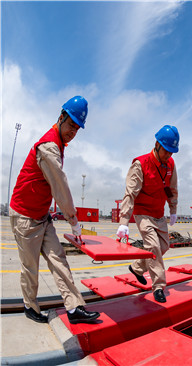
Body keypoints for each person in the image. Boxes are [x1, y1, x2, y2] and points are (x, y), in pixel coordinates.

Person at [9, 96, 100, 324]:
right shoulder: (49, 147)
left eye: (77, 129)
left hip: (42, 216)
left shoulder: (59, 142)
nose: (73, 132)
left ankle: (74, 308)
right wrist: (73, 220)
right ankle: (30, 306)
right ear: (60, 117)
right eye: (71, 125)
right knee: (31, 267)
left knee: (58, 259)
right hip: (25, 217)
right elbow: (60, 186)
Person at [116, 125, 179, 303]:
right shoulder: (140, 164)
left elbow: (171, 189)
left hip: (159, 213)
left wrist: (173, 209)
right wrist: (124, 222)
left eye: (172, 152)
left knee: (164, 246)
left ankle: (136, 268)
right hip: (142, 213)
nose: (169, 155)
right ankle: (159, 286)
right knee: (153, 247)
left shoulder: (170, 165)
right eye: (166, 151)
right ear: (157, 145)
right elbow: (130, 193)